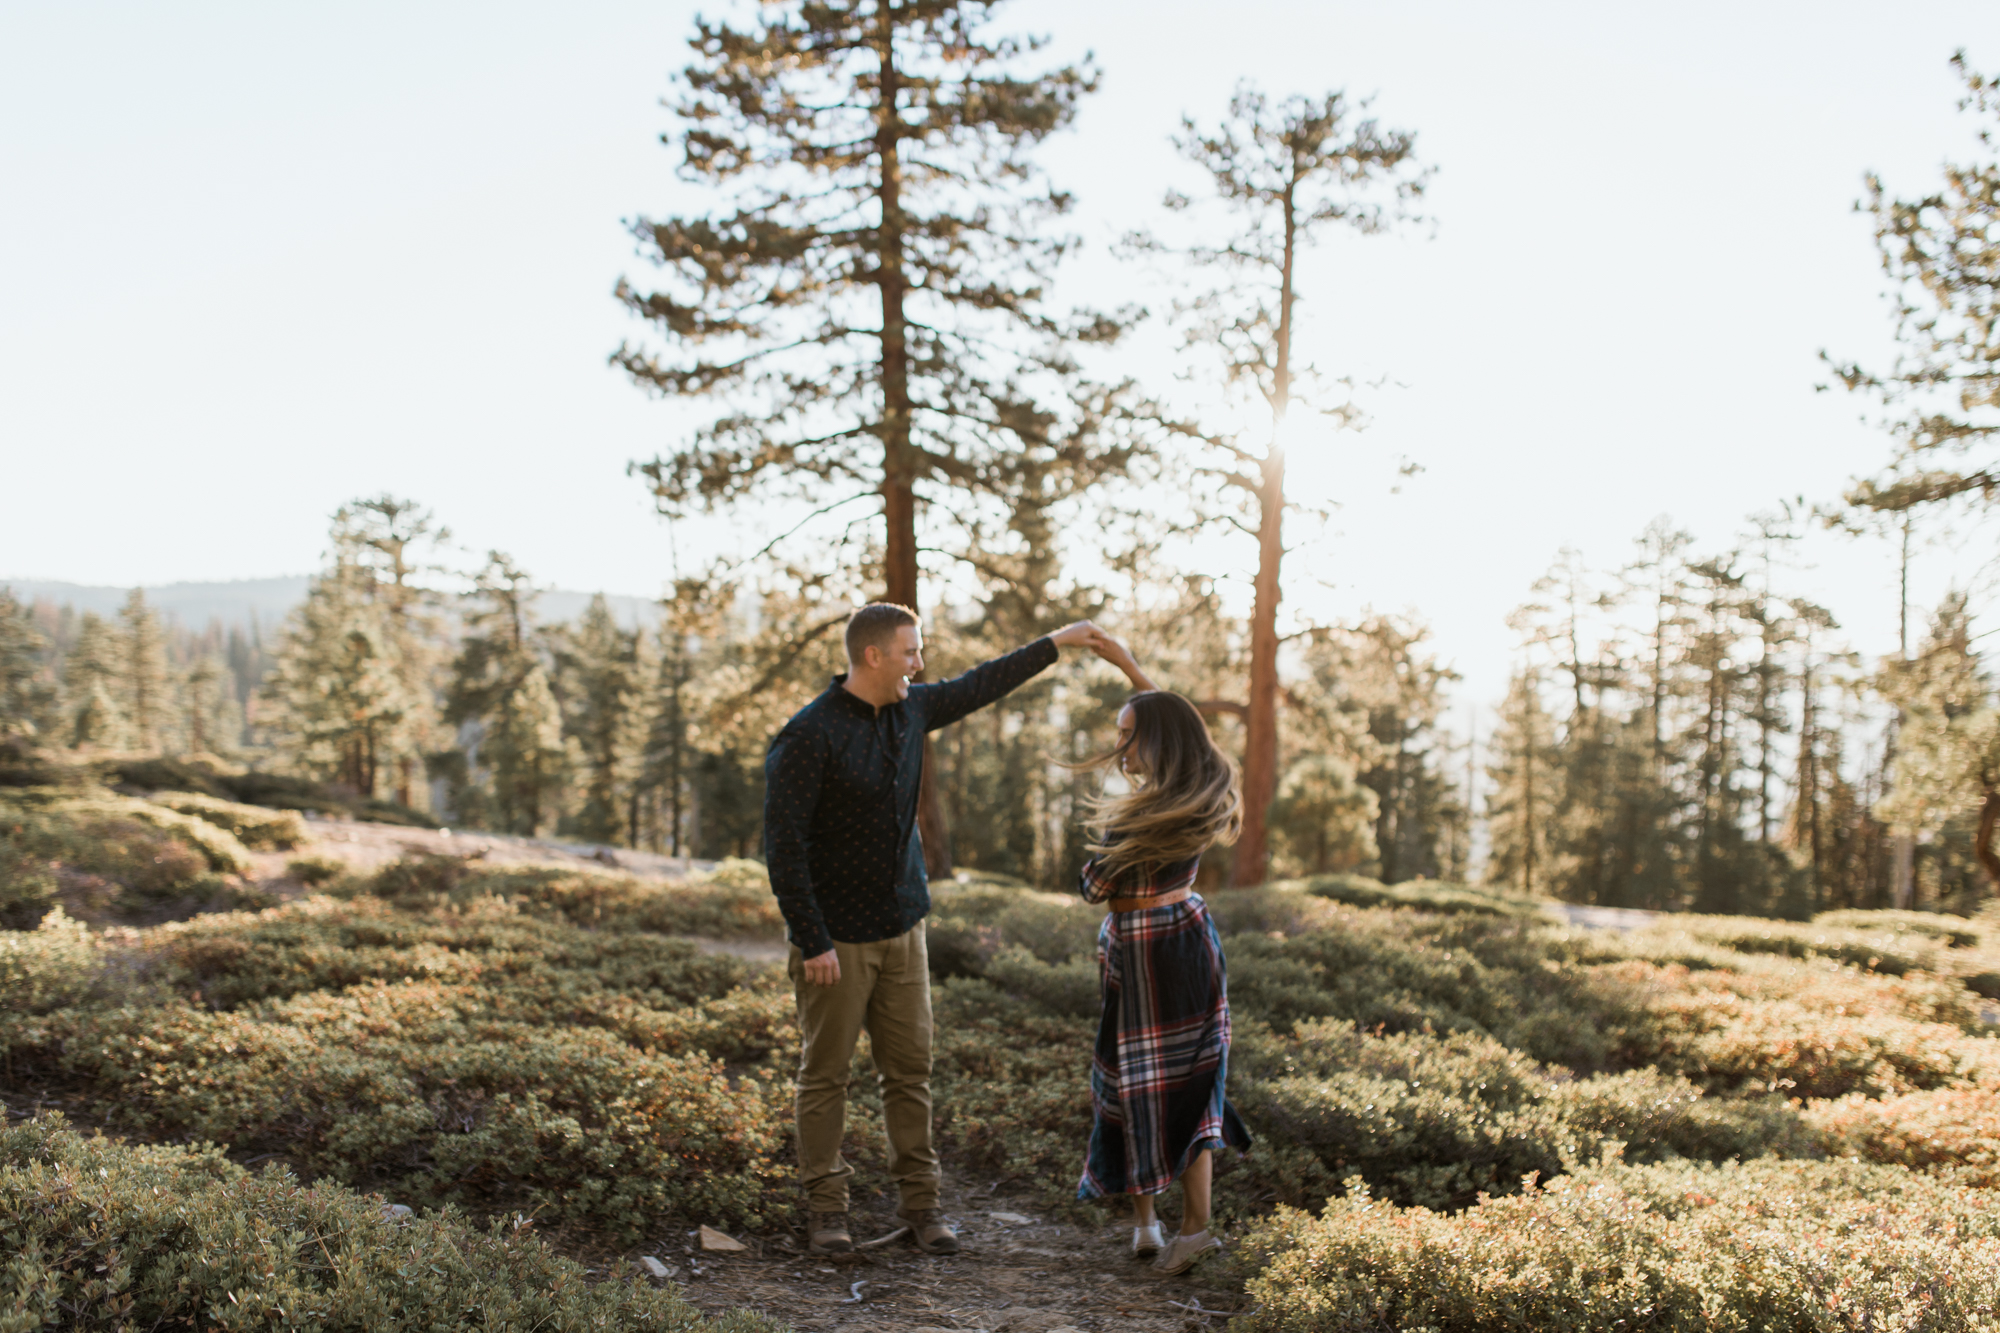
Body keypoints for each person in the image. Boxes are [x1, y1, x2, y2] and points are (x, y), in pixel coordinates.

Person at [764, 602, 1114, 1257]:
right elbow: (783, 846)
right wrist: (810, 937)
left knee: (910, 1073)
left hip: (905, 929)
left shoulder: (912, 708)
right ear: (873, 656)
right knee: (825, 1076)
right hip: (834, 941)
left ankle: (923, 1208)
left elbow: (981, 683)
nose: (920, 663)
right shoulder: (808, 735)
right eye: (910, 651)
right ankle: (825, 1210)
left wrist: (1055, 643)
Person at [1072, 636, 1253, 1276]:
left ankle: (1151, 1221)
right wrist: (1128, 669)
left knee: (1135, 1081)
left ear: (1153, 741)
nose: (1121, 745)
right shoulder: (1199, 787)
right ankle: (1184, 1227)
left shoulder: (1139, 814)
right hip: (1186, 938)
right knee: (1189, 1086)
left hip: (1143, 951)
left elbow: (1094, 888)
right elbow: (1185, 731)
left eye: (1129, 735)